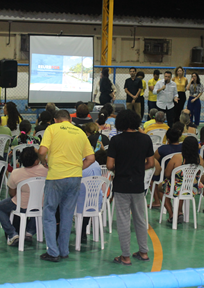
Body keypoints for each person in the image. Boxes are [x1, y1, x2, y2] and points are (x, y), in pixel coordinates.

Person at [38, 110, 95, 262]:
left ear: (55, 120)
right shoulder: (80, 132)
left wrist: (43, 161)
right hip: (75, 177)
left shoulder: (52, 129)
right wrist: (77, 168)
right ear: (70, 119)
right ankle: (64, 250)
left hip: (56, 176)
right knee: (67, 215)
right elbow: (91, 158)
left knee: (49, 212)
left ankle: (52, 252)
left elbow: (42, 150)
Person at [106, 109, 154, 265]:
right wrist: (139, 169)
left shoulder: (116, 140)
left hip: (121, 184)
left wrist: (120, 169)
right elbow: (151, 163)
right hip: (138, 185)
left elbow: (109, 165)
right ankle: (144, 252)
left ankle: (125, 256)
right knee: (140, 219)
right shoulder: (145, 139)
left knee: (123, 220)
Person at [0, 146, 48, 247]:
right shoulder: (46, 171)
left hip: (21, 205)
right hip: (40, 205)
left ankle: (12, 234)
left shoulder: (16, 173)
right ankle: (30, 231)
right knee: (37, 206)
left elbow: (12, 193)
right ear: (36, 161)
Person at [161, 136, 203, 223]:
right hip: (192, 189)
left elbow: (167, 174)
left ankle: (171, 213)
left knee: (160, 188)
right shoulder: (200, 160)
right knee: (183, 188)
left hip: (176, 188)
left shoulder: (177, 157)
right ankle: (179, 211)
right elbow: (200, 175)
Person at [76, 149, 105, 244]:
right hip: (95, 203)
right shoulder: (96, 165)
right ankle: (83, 229)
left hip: (78, 204)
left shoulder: (78, 164)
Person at [151, 127, 183, 207]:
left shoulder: (161, 149)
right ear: (179, 137)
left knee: (152, 180)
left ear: (167, 138)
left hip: (166, 178)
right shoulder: (184, 148)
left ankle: (157, 201)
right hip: (183, 178)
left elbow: (154, 161)